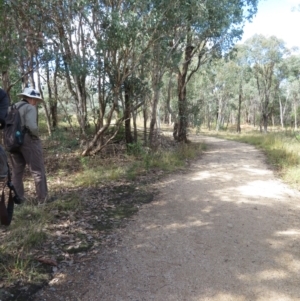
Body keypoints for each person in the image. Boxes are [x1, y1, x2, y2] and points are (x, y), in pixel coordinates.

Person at [9, 87, 48, 204]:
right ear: (29, 98)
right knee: (38, 170)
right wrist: (36, 136)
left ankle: (18, 200)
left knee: (16, 172)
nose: (36, 102)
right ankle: (43, 199)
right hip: (28, 141)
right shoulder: (29, 108)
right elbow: (32, 126)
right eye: (35, 100)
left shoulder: (11, 107)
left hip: (12, 142)